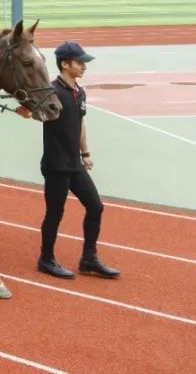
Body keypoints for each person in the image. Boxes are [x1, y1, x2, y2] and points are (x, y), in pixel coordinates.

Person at [20, 41, 120, 280]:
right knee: (55, 213)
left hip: (74, 163)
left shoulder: (79, 92)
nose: (84, 66)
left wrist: (85, 153)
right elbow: (41, 114)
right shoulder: (51, 91)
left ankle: (88, 259)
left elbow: (81, 123)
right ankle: (46, 259)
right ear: (65, 64)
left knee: (95, 206)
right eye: (80, 62)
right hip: (56, 165)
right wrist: (29, 113)